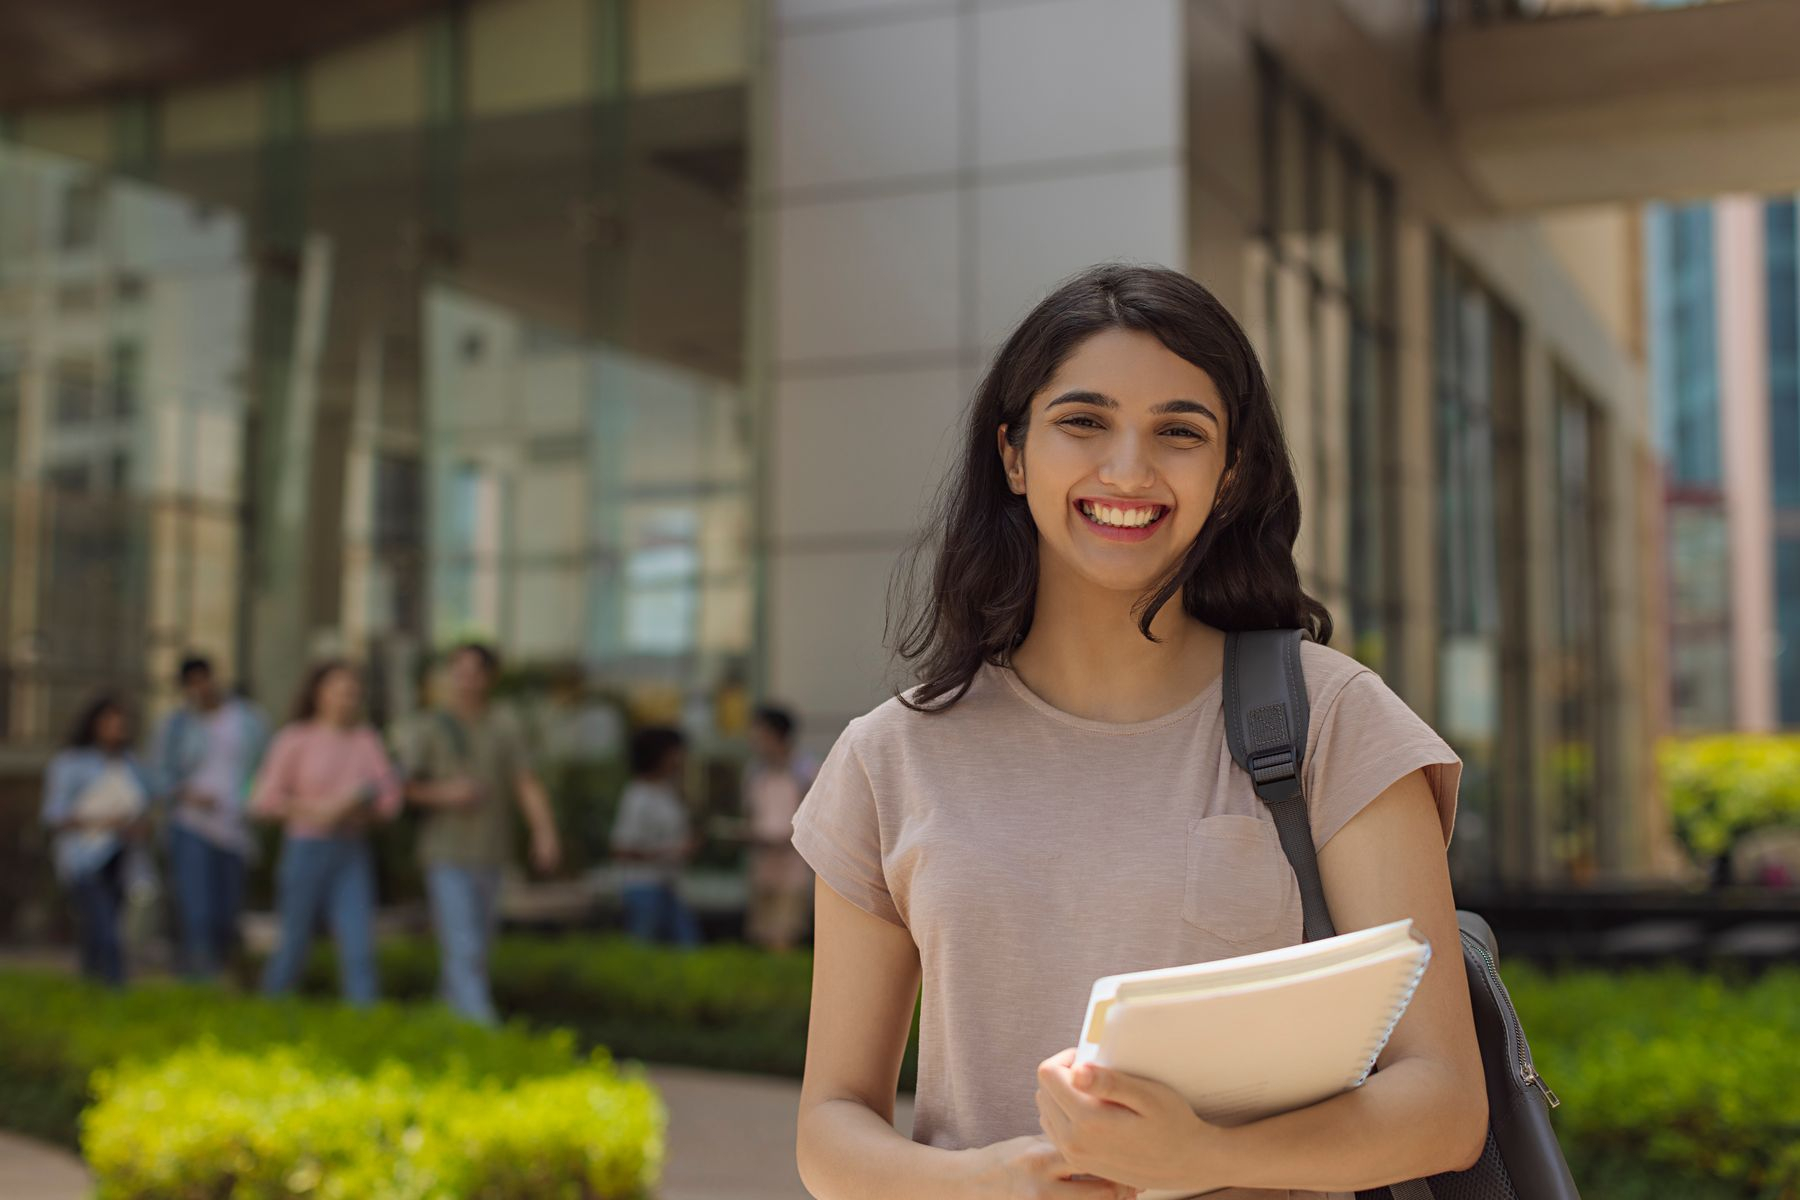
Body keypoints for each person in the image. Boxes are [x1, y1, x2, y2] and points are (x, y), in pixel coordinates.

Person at [790, 264, 1487, 1200]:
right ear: (1012, 453)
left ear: (1230, 473)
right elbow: (829, 1127)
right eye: (1083, 422)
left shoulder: (1337, 722)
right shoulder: (891, 758)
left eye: (1179, 433)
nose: (1128, 469)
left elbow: (1443, 1103)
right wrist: (989, 1185)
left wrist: (1204, 1159)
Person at [400, 642, 562, 1025]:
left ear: (490, 678)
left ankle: (448, 1020)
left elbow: (526, 781)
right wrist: (447, 794)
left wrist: (544, 832)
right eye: (458, 671)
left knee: (477, 948)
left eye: (475, 672)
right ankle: (484, 1030)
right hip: (445, 852)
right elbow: (402, 788)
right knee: (464, 946)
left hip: (490, 852)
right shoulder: (428, 726)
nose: (465, 680)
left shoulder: (505, 724)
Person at [253, 660, 402, 1005]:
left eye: (352, 692)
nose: (345, 699)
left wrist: (352, 807)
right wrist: (317, 811)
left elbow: (389, 799)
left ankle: (364, 1026)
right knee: (293, 943)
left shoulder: (366, 740)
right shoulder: (295, 738)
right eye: (338, 690)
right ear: (318, 693)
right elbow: (264, 800)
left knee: (358, 947)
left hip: (350, 850)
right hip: (305, 848)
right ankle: (269, 1016)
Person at [150, 655, 269, 980]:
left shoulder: (248, 720)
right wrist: (186, 794)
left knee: (227, 912)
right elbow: (158, 777)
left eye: (204, 679)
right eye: (191, 683)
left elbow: (265, 768)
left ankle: (221, 974)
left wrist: (255, 800)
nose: (200, 688)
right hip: (191, 824)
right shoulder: (176, 726)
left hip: (235, 826)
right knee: (196, 908)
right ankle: (199, 981)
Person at [40, 694, 152, 986]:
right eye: (109, 722)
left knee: (101, 928)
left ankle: (90, 989)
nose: (117, 728)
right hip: (84, 857)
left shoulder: (130, 762)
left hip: (122, 855)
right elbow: (54, 815)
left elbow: (143, 806)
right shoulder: (71, 763)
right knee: (106, 930)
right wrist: (101, 821)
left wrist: (136, 826)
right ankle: (116, 989)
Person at [610, 725, 702, 947]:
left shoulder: (667, 791)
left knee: (687, 945)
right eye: (675, 753)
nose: (680, 760)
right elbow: (621, 848)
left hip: (669, 884)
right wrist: (672, 851)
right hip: (644, 886)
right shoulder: (637, 796)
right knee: (645, 949)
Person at [741, 705, 817, 951]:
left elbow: (816, 819)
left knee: (785, 934)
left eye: (759, 733)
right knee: (760, 933)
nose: (754, 740)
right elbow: (752, 813)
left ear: (777, 734)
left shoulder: (806, 770)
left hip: (793, 865)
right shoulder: (754, 771)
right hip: (762, 862)